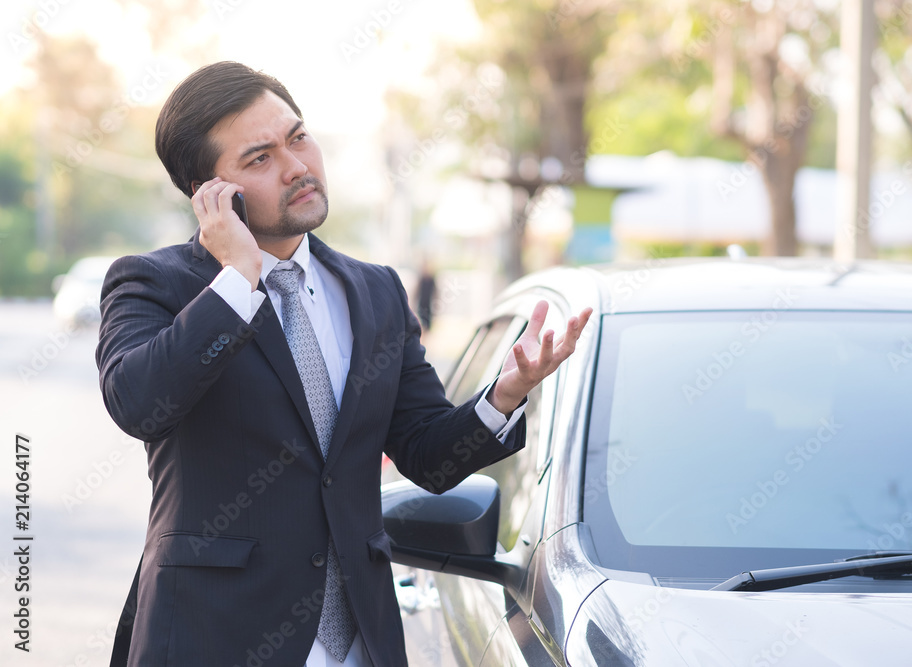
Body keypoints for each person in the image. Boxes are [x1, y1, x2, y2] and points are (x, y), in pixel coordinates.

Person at [95, 61, 591, 667]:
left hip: (360, 639)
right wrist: (237, 277)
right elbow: (140, 403)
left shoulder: (375, 292)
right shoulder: (155, 283)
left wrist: (506, 394)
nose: (297, 166)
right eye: (260, 158)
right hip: (214, 637)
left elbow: (427, 455)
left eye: (297, 137)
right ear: (209, 195)